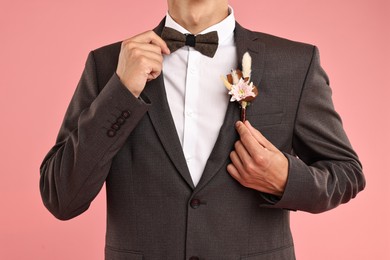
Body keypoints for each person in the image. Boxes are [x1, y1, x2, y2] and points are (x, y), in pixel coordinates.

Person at [40, 0, 366, 259]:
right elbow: (61, 197)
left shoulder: (295, 63)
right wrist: (121, 90)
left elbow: (347, 172)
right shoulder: (108, 64)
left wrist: (285, 179)